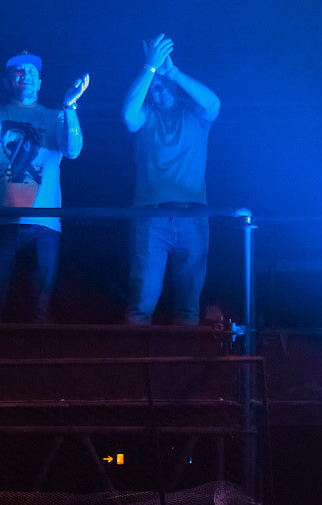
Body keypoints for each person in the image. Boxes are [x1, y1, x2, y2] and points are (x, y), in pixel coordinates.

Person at [0, 53, 89, 322]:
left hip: (43, 222)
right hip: (0, 220)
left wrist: (70, 106)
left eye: (32, 72)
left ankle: (39, 349)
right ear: (7, 80)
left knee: (41, 306)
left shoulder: (55, 116)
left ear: (40, 82)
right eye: (18, 71)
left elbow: (73, 151)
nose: (25, 76)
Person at [119, 35, 220, 326]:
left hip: (193, 216)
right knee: (141, 304)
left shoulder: (194, 114)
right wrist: (149, 68)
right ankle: (134, 356)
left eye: (163, 84)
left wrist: (172, 72)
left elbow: (214, 103)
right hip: (150, 217)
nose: (159, 89)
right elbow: (128, 115)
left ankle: (184, 356)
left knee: (189, 307)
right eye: (153, 86)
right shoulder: (146, 116)